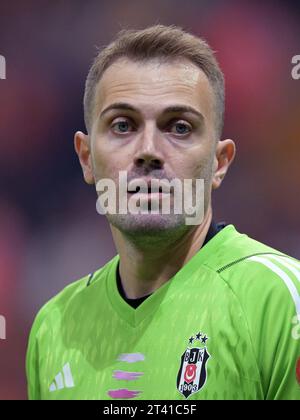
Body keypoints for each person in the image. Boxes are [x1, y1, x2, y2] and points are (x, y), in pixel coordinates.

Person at [26, 24, 300, 400]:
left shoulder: (282, 301)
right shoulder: (54, 327)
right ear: (87, 158)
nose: (149, 150)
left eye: (180, 127)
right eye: (123, 125)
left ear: (219, 163)